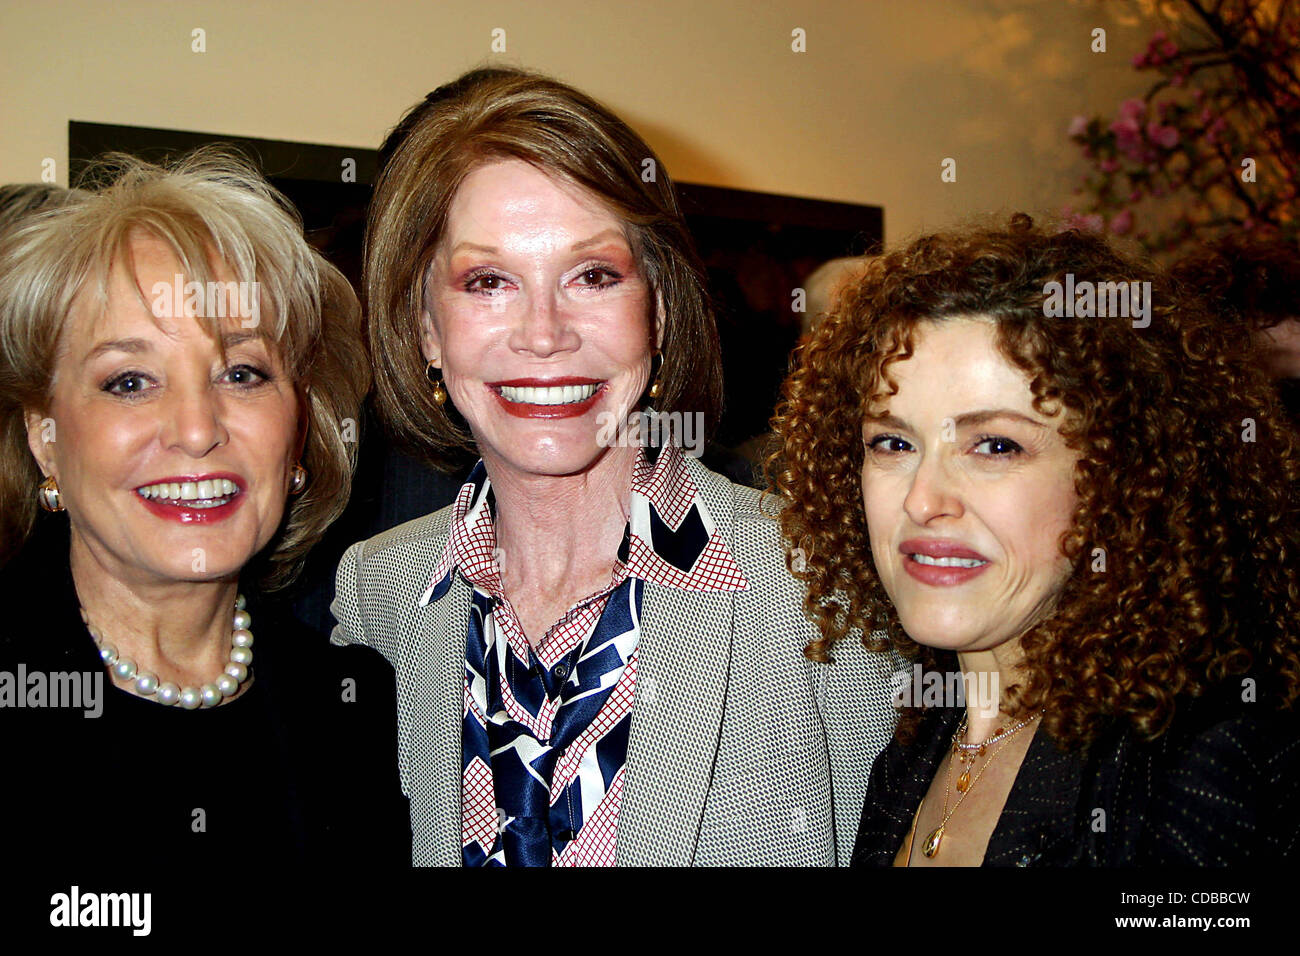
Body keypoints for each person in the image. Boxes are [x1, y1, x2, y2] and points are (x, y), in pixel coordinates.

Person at [331, 66, 900, 866]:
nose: (544, 333)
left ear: (657, 307)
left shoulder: (821, 579)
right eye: (488, 281)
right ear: (426, 328)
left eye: (593, 275)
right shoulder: (380, 594)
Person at [770, 214, 1300, 865]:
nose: (922, 499)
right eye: (893, 442)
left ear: (1121, 478)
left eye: (995, 445)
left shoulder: (1210, 766)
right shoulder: (921, 737)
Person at [0, 148, 410, 865]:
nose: (197, 429)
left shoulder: (357, 708)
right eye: (129, 381)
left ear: (302, 429)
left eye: (242, 373)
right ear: (46, 437)